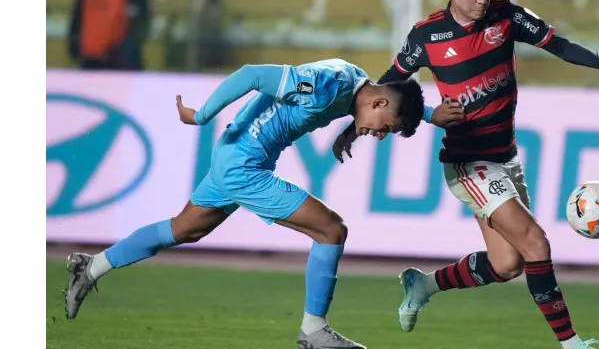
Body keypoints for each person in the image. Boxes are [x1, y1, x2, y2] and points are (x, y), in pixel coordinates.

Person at [332, 0, 599, 349]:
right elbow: (390, 88)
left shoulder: (507, 16)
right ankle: (571, 343)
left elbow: (556, 44)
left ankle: (424, 285)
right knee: (536, 242)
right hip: (468, 162)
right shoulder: (427, 36)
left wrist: (598, 60)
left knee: (508, 264)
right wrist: (369, 121)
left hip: (506, 157)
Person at [63, 58, 464, 348]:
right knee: (331, 230)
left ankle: (91, 266)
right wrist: (202, 115)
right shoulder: (324, 84)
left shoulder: (356, 84)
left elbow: (387, 99)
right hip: (243, 165)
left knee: (183, 228)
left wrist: (428, 114)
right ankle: (313, 330)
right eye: (386, 130)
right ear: (378, 105)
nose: (380, 136)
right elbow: (251, 75)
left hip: (232, 156)